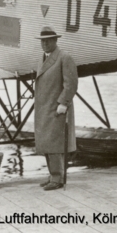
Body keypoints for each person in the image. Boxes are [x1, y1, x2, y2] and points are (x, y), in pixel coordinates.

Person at [34, 25, 78, 191]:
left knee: (55, 143)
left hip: (56, 107)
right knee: (47, 142)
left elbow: (71, 84)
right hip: (44, 107)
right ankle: (53, 175)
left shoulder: (64, 57)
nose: (45, 44)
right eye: (42, 41)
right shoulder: (43, 58)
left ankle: (58, 178)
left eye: (48, 41)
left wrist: (63, 103)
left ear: (55, 40)